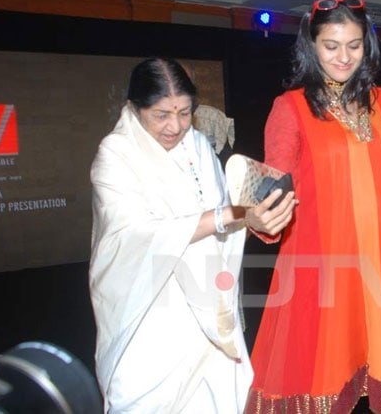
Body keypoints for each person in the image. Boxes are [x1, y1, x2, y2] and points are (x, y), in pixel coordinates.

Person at [246, 0, 381, 413]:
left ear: (368, 45)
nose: (344, 57)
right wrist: (260, 216)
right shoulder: (290, 108)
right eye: (331, 45)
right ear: (312, 45)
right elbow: (273, 186)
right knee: (325, 368)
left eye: (354, 45)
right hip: (324, 257)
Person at [89, 58, 295, 412]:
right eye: (162, 115)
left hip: (205, 304)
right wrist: (229, 215)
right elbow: (134, 237)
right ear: (134, 109)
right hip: (148, 310)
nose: (176, 126)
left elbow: (221, 230)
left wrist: (252, 220)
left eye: (185, 113)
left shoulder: (198, 146)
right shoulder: (115, 155)